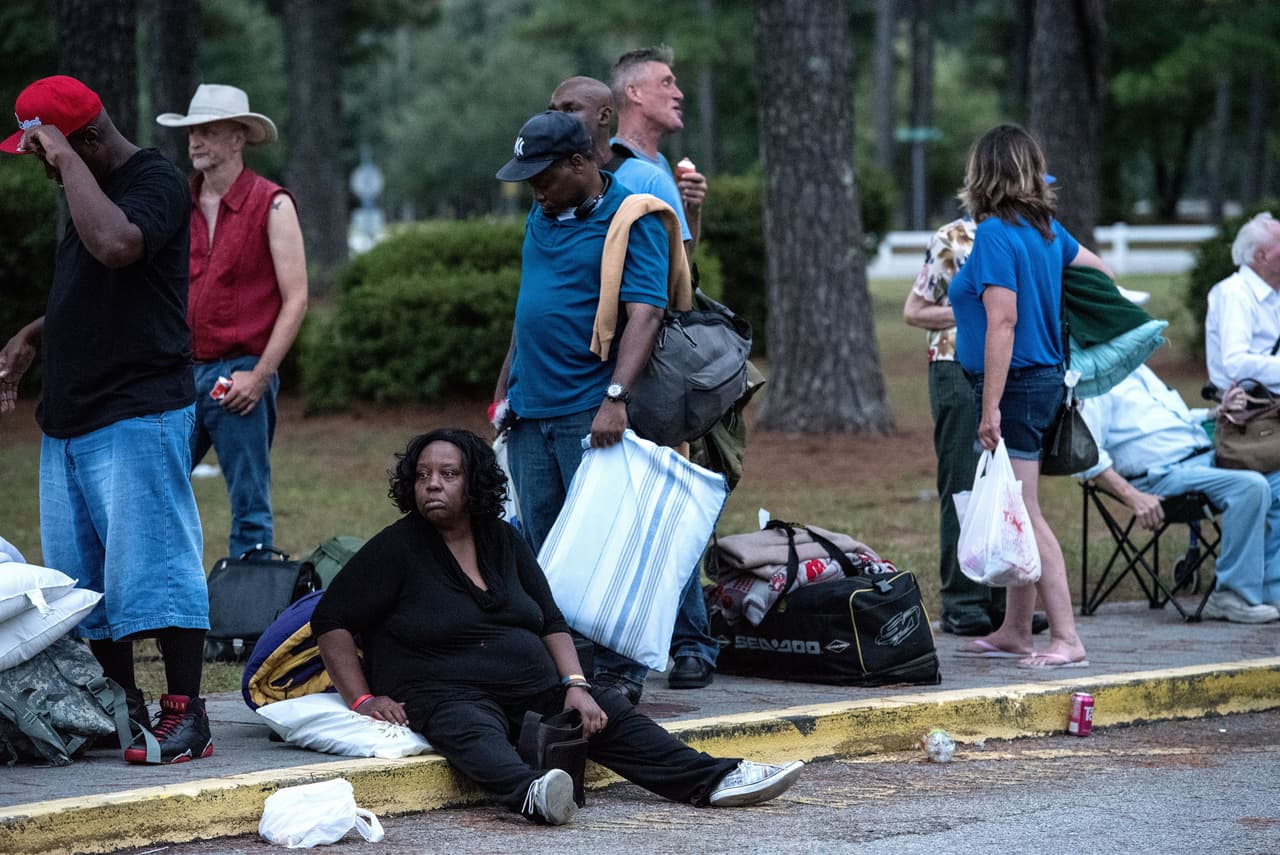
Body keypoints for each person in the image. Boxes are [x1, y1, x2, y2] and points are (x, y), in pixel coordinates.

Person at [310, 429, 803, 826]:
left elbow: (549, 620)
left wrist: (576, 686)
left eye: (447, 474)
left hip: (532, 686)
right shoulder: (395, 549)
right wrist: (362, 700)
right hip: (445, 692)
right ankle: (532, 794)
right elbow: (331, 621)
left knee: (609, 711)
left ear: (474, 482)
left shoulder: (503, 538)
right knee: (470, 731)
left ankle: (715, 780)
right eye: (422, 476)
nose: (432, 484)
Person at [0, 75, 212, 763]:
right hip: (70, 416)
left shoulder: (154, 181)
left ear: (82, 139)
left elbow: (119, 247)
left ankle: (188, 713)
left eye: (44, 150)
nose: (40, 163)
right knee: (85, 578)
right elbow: (96, 288)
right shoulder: (85, 189)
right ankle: (122, 703)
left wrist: (64, 163)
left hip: (137, 408)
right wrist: (37, 333)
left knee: (156, 567)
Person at [546, 77, 719, 690]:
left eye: (570, 108)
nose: (559, 115)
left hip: (625, 379)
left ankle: (691, 640)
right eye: (553, 107)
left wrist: (620, 390)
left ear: (604, 116)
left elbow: (677, 279)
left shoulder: (640, 180)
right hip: (561, 392)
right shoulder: (556, 187)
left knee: (646, 522)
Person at [491, 110, 667, 703]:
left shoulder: (629, 218)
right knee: (546, 553)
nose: (534, 188)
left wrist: (615, 398)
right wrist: (504, 390)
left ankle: (619, 674)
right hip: (530, 411)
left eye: (543, 174)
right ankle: (571, 670)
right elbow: (527, 309)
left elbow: (646, 312)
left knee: (603, 546)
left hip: (588, 412)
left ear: (580, 162)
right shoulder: (539, 217)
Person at [946, 124, 1110, 668]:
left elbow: (1003, 321)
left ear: (983, 172)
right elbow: (1100, 273)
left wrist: (990, 406)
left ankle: (1067, 637)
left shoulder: (995, 233)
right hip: (1040, 381)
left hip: (1014, 387)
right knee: (1017, 504)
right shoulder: (1046, 232)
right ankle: (1016, 629)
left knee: (1026, 510)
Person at [156, 85, 309, 559]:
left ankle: (249, 622)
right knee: (156, 489)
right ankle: (172, 603)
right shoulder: (179, 202)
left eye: (208, 131)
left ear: (238, 138)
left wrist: (259, 376)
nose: (195, 141)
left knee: (249, 505)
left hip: (239, 371)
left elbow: (297, 298)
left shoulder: (273, 203)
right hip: (179, 373)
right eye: (191, 132)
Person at [1076, 363, 1280, 622]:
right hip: (1164, 477)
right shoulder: (1096, 383)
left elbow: (1175, 422)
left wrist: (1217, 410)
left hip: (1203, 460)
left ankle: (1274, 589)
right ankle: (1231, 596)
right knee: (1250, 486)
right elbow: (1086, 455)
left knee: (1277, 481)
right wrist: (1133, 497)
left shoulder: (1138, 370)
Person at [611, 46, 707, 254]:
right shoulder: (635, 175)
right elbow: (678, 274)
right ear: (634, 92)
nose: (679, 94)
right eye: (666, 83)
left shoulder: (660, 163)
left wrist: (692, 210)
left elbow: (683, 257)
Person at [1205, 212, 1280, 394]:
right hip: (1255, 409)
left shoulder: (1274, 292)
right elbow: (1235, 364)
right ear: (1262, 256)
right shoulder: (1235, 294)